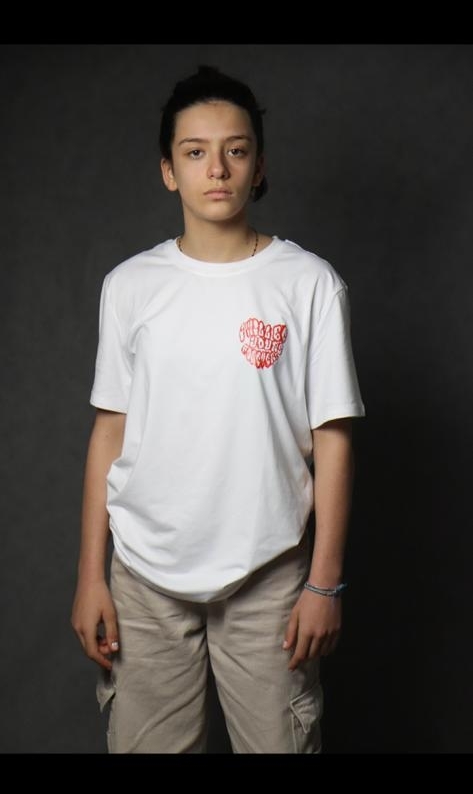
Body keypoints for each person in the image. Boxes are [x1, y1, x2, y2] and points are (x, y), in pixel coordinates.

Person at [71, 64, 366, 754]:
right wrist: (90, 576)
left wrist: (324, 583)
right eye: (194, 151)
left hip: (268, 572)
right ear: (168, 171)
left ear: (258, 166)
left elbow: (333, 440)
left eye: (235, 150)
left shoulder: (308, 284)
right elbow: (110, 431)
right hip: (144, 574)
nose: (217, 168)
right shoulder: (130, 286)